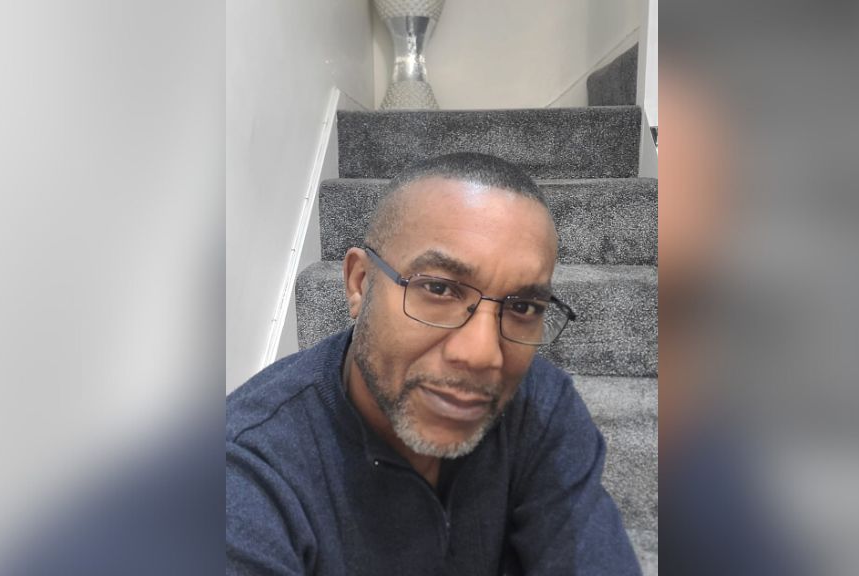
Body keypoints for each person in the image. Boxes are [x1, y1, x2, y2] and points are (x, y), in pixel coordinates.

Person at [226, 152, 641, 575]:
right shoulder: (243, 470)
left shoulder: (540, 406)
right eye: (439, 289)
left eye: (522, 306)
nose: (482, 355)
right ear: (360, 284)